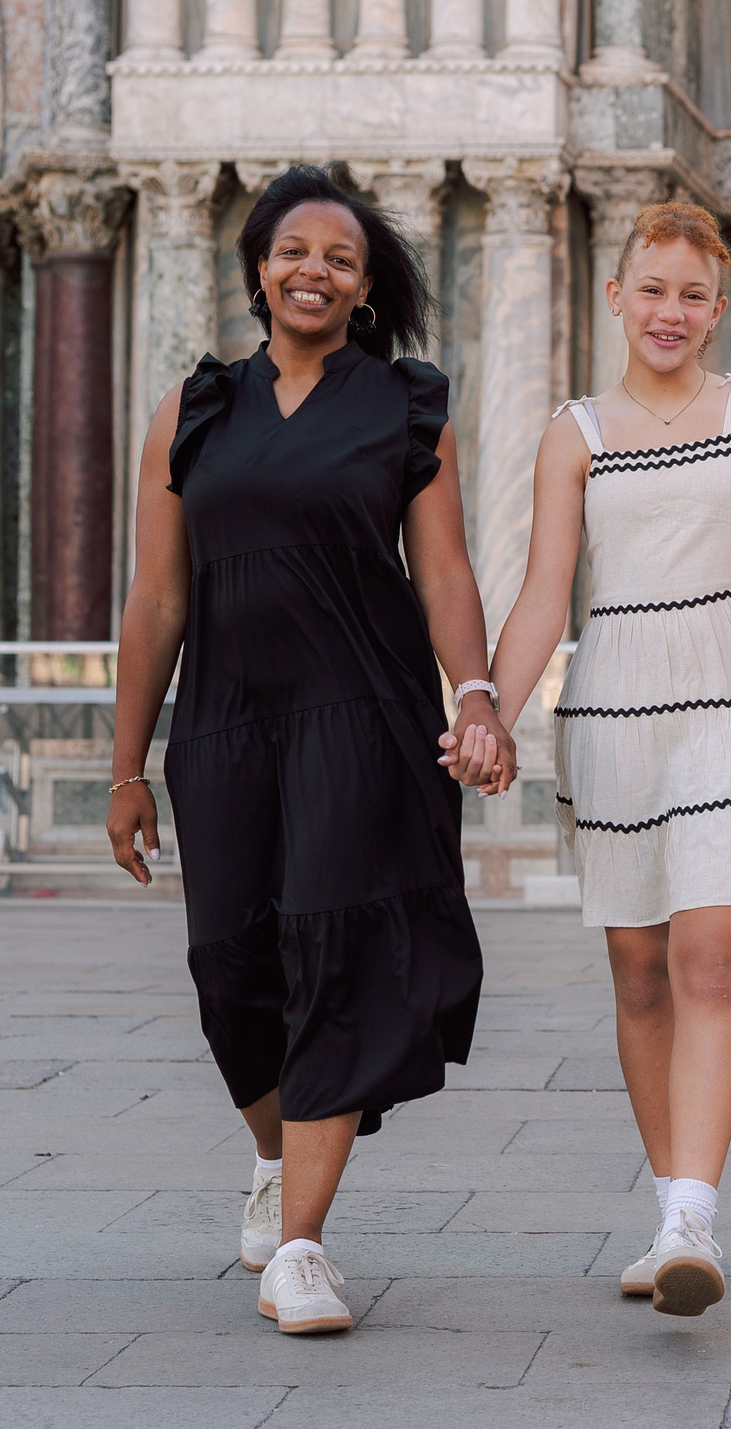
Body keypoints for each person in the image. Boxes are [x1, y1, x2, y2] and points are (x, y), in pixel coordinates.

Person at [107, 164, 508, 1337]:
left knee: (332, 952)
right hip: (226, 720)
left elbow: (440, 569)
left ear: (366, 281)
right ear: (257, 269)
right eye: (293, 251)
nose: (314, 270)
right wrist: (126, 766)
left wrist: (474, 693)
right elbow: (157, 598)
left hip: (362, 711)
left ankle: (303, 1245)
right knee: (229, 969)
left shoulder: (404, 402)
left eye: (340, 255)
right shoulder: (194, 410)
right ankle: (276, 1160)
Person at [486, 201, 731, 1319]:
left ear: (718, 307)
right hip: (617, 701)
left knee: (708, 957)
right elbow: (546, 590)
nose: (670, 311)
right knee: (638, 967)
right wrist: (491, 713)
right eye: (652, 288)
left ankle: (693, 1213)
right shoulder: (575, 431)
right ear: (616, 294)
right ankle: (667, 1207)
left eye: (692, 294)